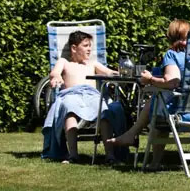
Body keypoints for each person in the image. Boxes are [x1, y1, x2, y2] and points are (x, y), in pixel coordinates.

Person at [105, 19, 190, 167]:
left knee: (157, 105)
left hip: (181, 111)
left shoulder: (172, 54)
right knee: (157, 101)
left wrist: (150, 79)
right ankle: (133, 137)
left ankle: (149, 156)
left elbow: (172, 82)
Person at [41, 30, 127, 163]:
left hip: (91, 95)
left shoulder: (92, 63)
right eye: (85, 46)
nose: (89, 49)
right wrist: (56, 77)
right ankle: (73, 155)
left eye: (90, 46)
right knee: (70, 111)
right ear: (74, 48)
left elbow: (108, 72)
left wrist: (117, 73)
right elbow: (55, 73)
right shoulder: (64, 62)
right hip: (71, 94)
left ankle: (110, 155)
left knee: (104, 113)